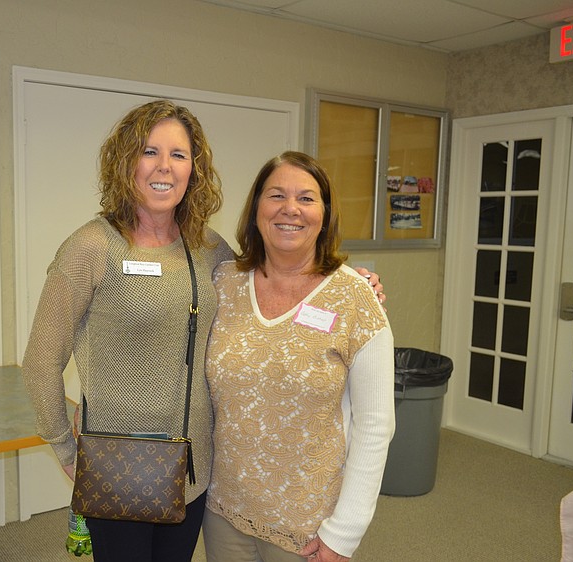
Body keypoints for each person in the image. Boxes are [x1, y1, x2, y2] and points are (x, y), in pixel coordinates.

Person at [22, 101, 385, 562]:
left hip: (195, 474)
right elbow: (40, 361)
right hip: (120, 466)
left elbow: (271, 276)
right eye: (149, 151)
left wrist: (355, 284)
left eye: (178, 155)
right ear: (124, 160)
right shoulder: (91, 247)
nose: (163, 167)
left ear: (194, 169)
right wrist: (65, 447)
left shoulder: (209, 249)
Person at [203, 151, 395, 562]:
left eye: (307, 198)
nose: (291, 209)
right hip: (223, 510)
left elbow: (375, 424)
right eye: (276, 195)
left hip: (310, 524)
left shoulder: (356, 298)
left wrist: (345, 532)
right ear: (256, 209)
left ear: (324, 214)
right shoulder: (224, 284)